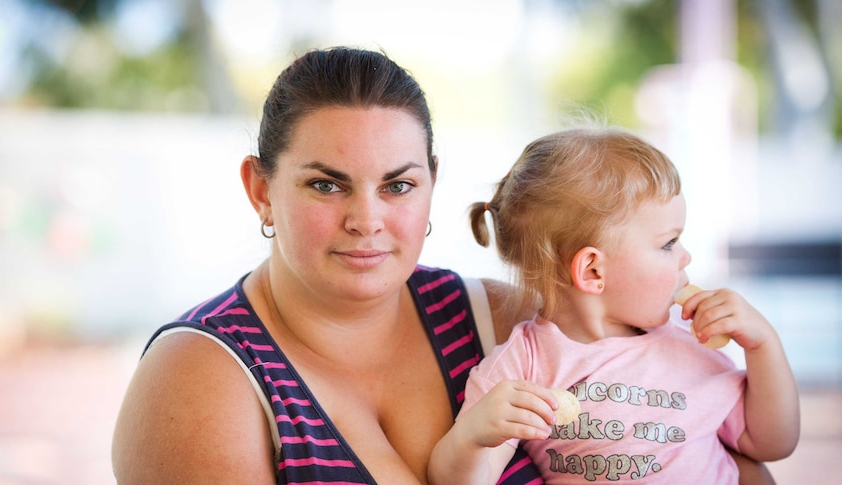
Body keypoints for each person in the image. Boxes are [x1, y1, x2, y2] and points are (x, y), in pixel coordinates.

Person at [111, 47, 778, 484]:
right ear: (261, 189)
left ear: (431, 184)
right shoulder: (202, 374)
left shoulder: (500, 319)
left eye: (397, 185)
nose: (366, 219)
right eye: (326, 184)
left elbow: (732, 458)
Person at [427, 127, 800, 484]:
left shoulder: (689, 343)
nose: (685, 257)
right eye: (668, 243)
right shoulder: (520, 369)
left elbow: (770, 442)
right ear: (592, 270)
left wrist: (763, 345)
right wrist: (473, 436)